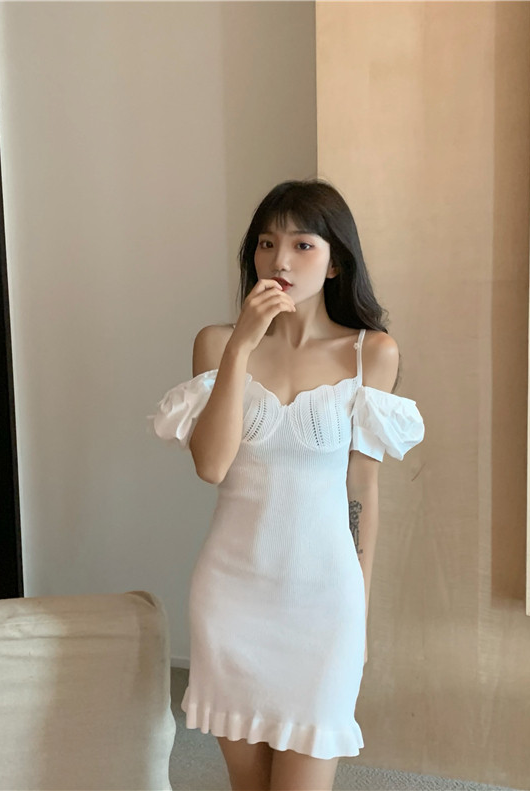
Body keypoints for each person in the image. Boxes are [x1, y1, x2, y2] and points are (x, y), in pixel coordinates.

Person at [149, 178, 425, 791]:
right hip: (232, 598)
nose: (280, 261)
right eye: (266, 244)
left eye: (303, 245)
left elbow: (361, 491)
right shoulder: (216, 343)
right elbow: (211, 465)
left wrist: (359, 610)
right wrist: (241, 347)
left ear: (335, 263)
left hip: (325, 602)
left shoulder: (371, 353)